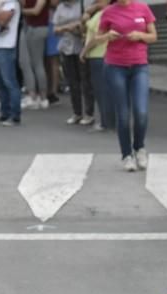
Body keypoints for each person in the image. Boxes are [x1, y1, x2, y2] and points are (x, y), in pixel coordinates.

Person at [97, 0, 156, 172]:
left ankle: (139, 147)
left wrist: (140, 36)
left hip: (139, 66)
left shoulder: (143, 7)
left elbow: (154, 36)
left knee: (141, 112)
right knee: (123, 114)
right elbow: (97, 38)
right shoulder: (108, 12)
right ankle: (126, 155)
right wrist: (107, 36)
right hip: (115, 67)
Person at [53, 0, 90, 125]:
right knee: (72, 82)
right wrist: (67, 27)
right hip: (66, 47)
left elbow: (87, 24)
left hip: (81, 48)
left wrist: (76, 27)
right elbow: (55, 29)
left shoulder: (84, 4)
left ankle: (89, 113)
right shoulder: (61, 7)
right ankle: (77, 112)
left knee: (85, 82)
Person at [80, 0, 115, 132]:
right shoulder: (99, 13)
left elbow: (96, 37)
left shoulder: (105, 13)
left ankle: (106, 122)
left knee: (102, 91)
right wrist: (88, 13)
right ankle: (107, 120)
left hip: (99, 54)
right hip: (97, 55)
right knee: (102, 90)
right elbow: (85, 28)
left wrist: (84, 51)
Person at [19, 0, 50, 109]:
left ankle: (42, 97)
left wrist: (20, 11)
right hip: (28, 25)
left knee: (37, 63)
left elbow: (36, 11)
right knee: (25, 62)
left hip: (38, 27)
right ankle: (33, 95)